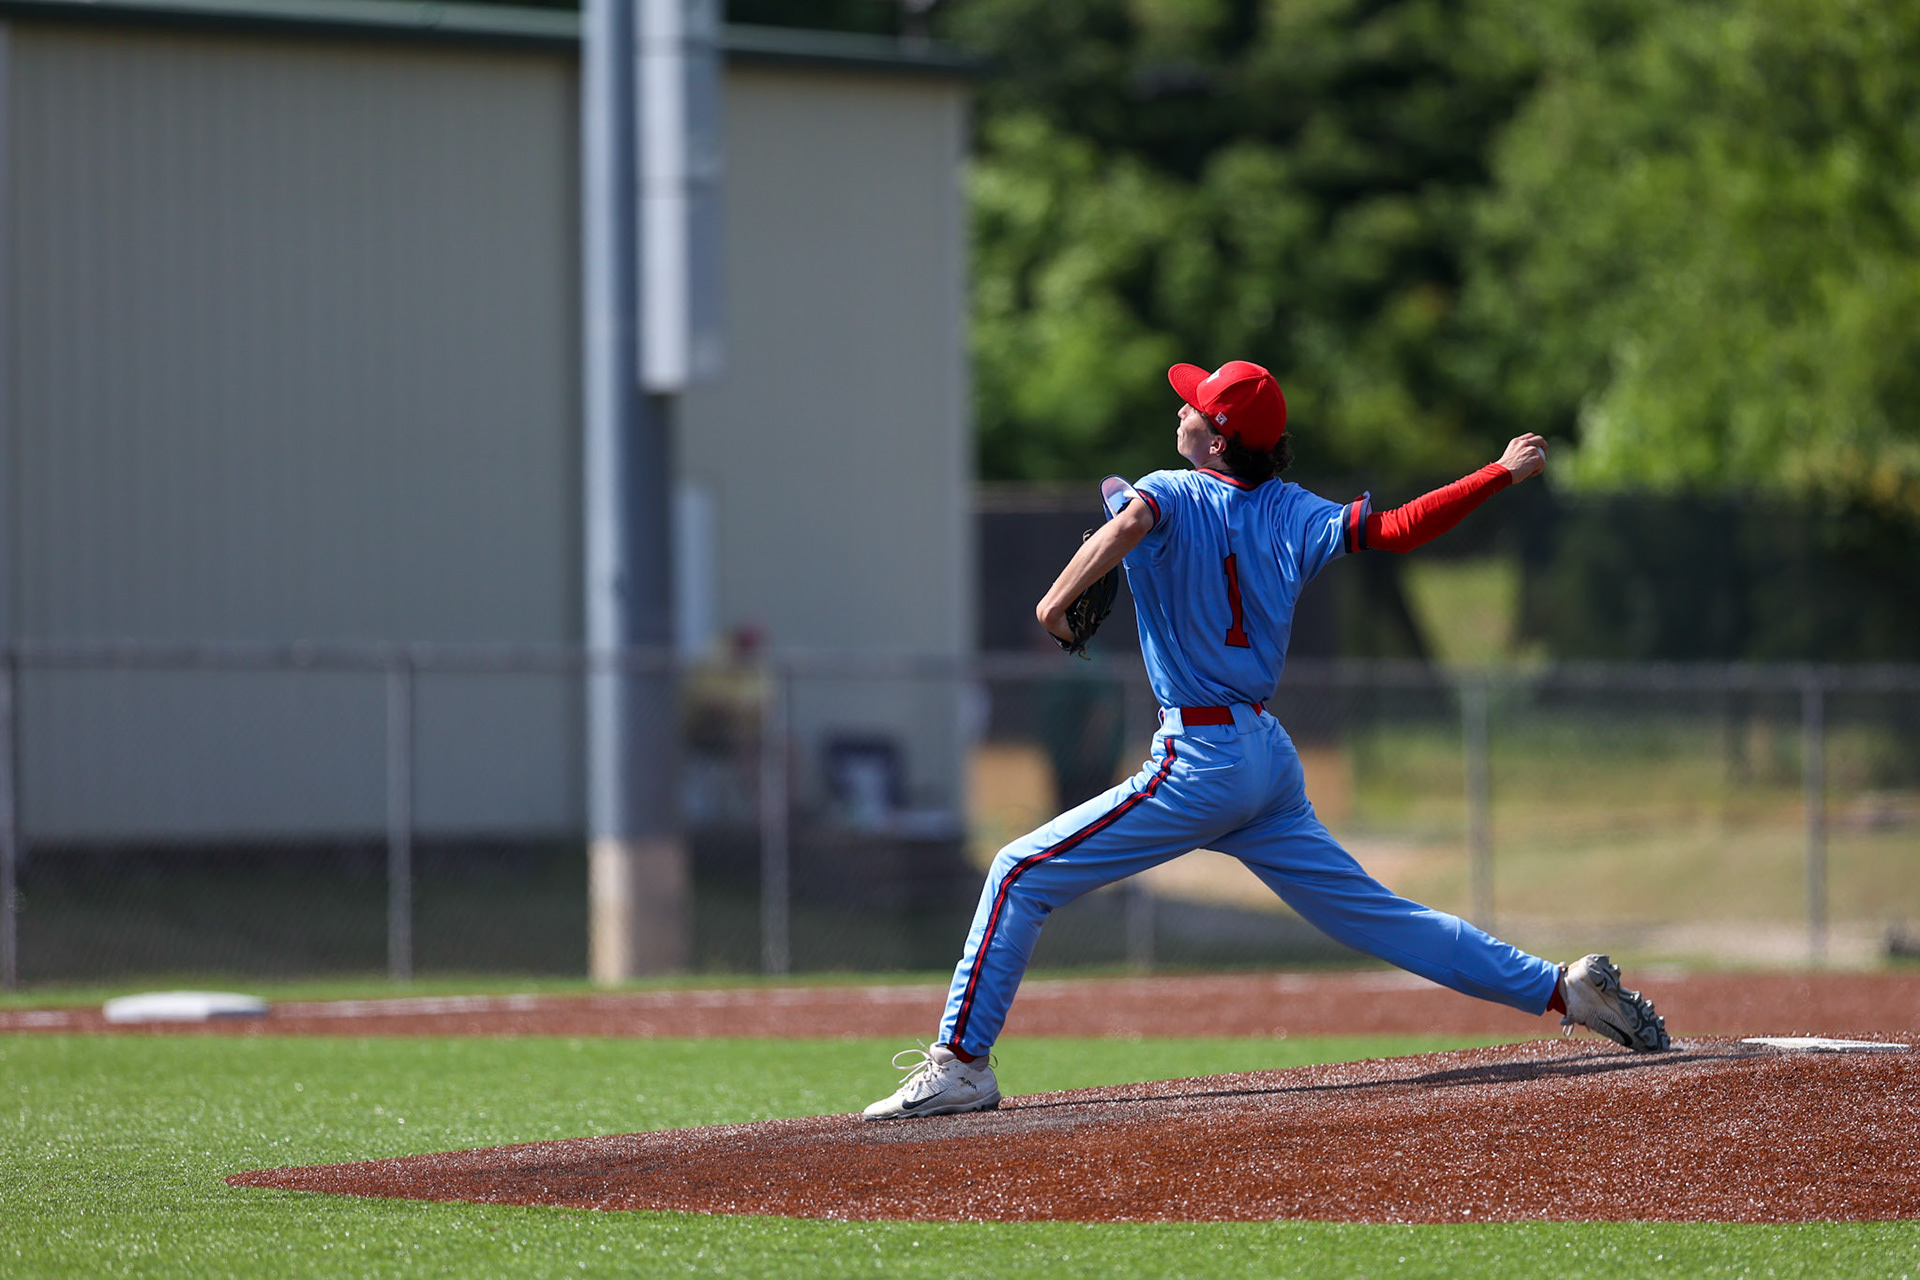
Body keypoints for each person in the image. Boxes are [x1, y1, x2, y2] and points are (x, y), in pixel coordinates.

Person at [863, 360, 1669, 1122]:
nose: (1182, 407)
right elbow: (1396, 528)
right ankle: (1563, 991)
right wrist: (1497, 472)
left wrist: (1053, 603)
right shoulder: (1294, 509)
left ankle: (961, 1064)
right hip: (1265, 759)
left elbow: (1131, 517)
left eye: (1196, 405)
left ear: (1217, 442)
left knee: (1017, 873)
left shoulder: (1169, 490)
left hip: (1200, 761)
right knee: (1382, 918)